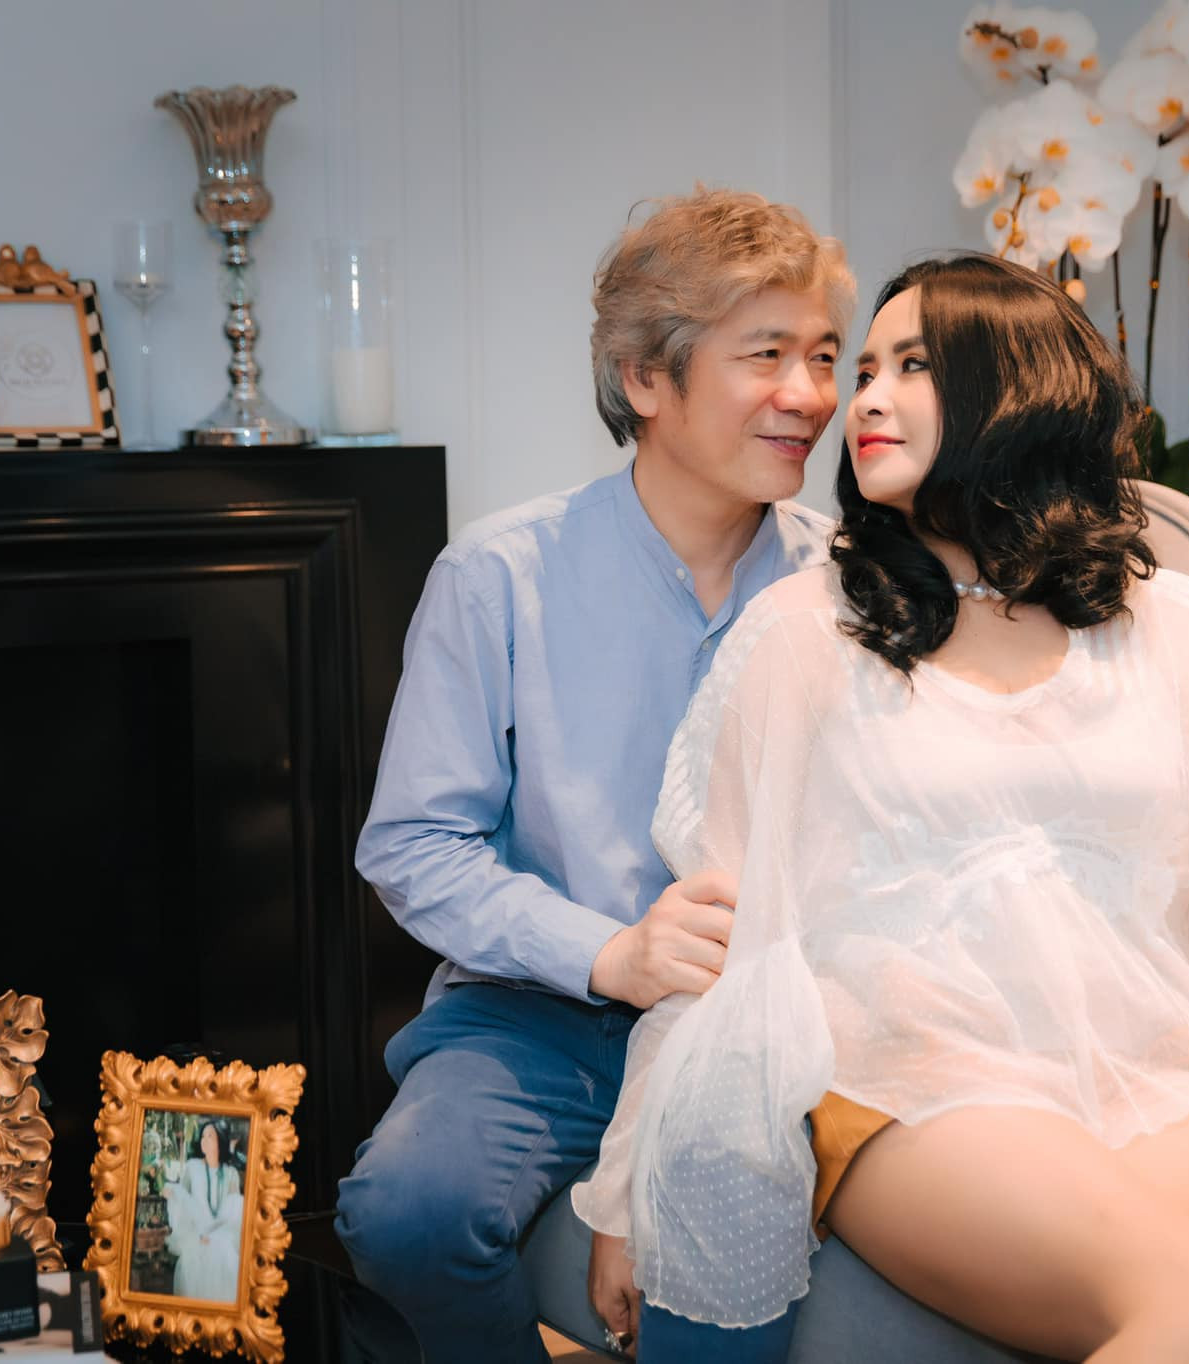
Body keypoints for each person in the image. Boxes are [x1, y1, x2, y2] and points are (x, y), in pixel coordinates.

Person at [577, 253, 1189, 1362]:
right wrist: (631, 1184)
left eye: (911, 366)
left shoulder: (1158, 623)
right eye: (865, 370)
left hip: (1133, 1074)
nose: (863, 399)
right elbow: (723, 928)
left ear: (1016, 390)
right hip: (905, 1079)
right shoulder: (807, 631)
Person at [335, 186, 854, 1362]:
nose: (809, 394)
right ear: (644, 378)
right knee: (405, 1212)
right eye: (765, 353)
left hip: (766, 1021)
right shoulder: (496, 576)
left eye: (823, 354)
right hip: (538, 1011)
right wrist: (606, 952)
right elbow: (412, 845)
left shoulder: (845, 588)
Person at [167, 1119, 245, 1302]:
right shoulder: (192, 1167)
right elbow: (182, 1202)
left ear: (220, 1141)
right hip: (196, 1236)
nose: (204, 1140)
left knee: (226, 1258)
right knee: (194, 1261)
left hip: (222, 1236)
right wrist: (196, 1234)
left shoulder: (231, 1173)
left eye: (210, 1136)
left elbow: (234, 1212)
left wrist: (216, 1235)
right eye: (203, 1136)